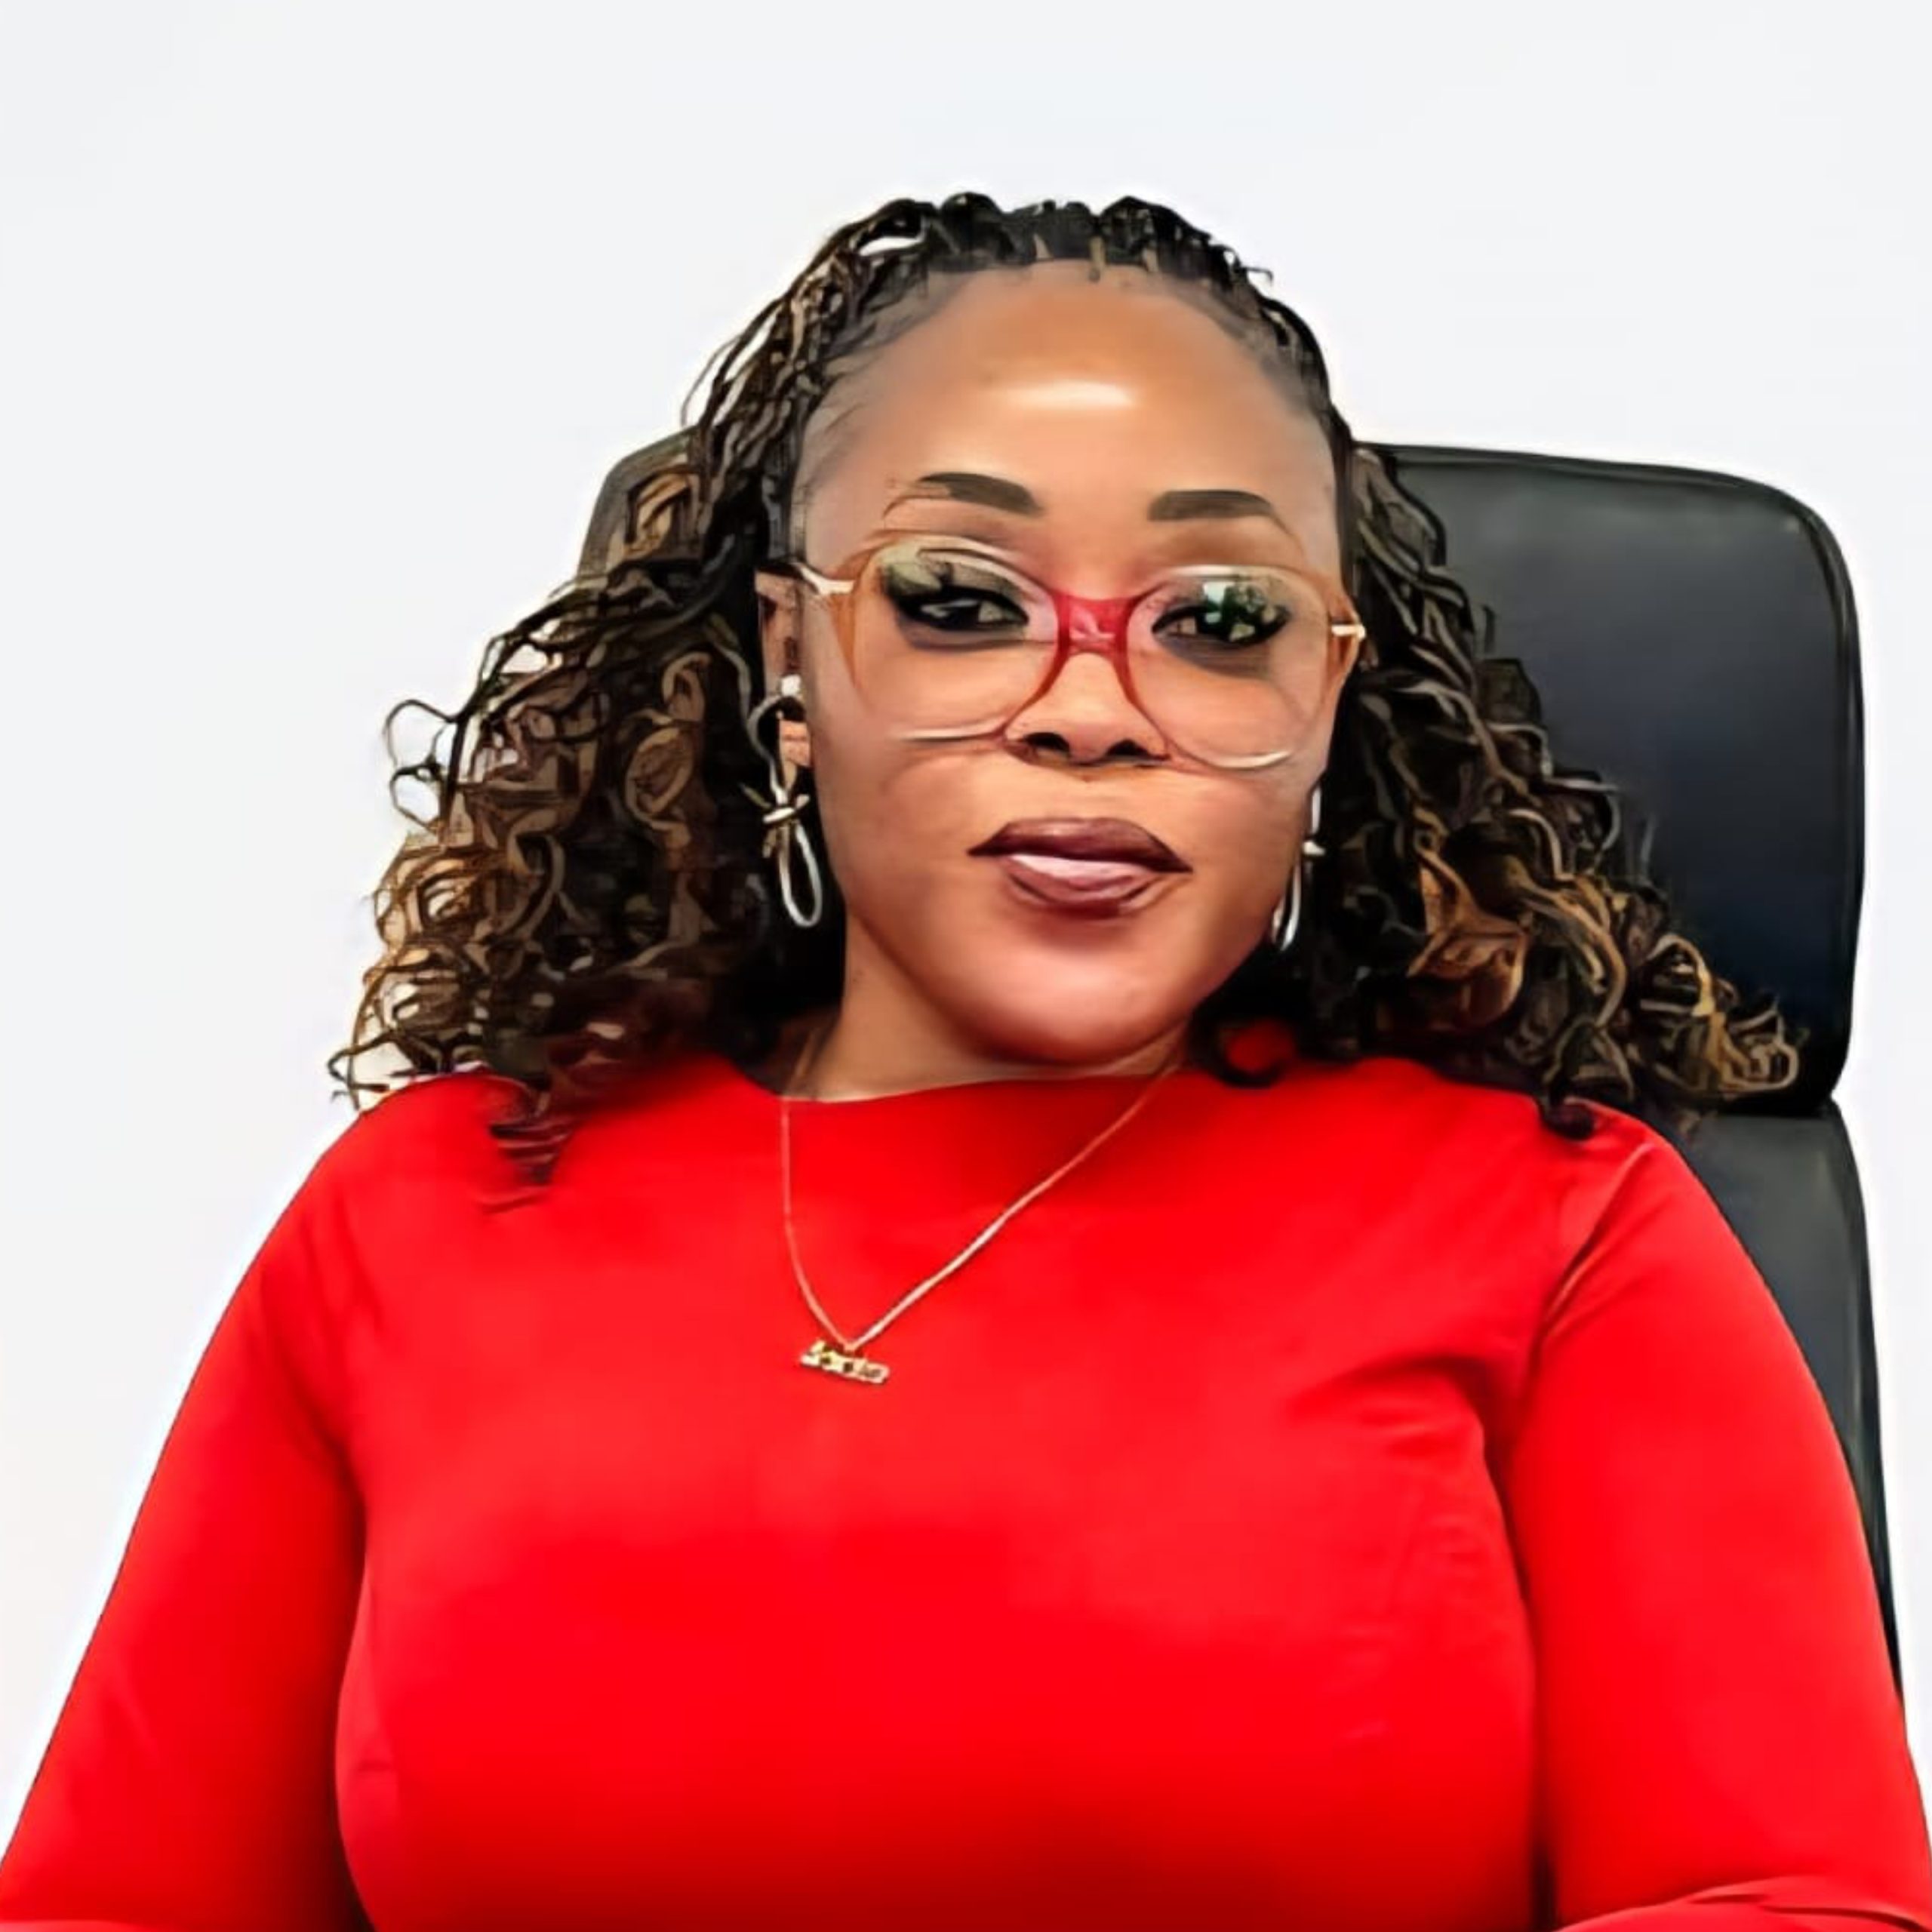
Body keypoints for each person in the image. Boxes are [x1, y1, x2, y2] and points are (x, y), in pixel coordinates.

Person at [1, 190, 1925, 1932]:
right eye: (958, 601)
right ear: (788, 661)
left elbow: (1785, 1899)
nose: (1090, 709)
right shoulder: (426, 1208)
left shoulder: (1564, 1233)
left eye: (1218, 621)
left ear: (1323, 696)